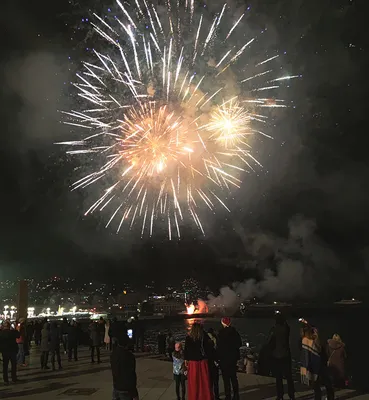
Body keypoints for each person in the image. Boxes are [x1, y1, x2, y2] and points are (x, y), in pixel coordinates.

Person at [300, 325, 334, 400]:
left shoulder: (305, 340)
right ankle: (330, 398)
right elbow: (323, 351)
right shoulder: (317, 339)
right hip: (321, 364)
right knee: (327, 384)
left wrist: (306, 368)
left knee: (316, 386)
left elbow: (305, 356)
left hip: (313, 366)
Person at [268, 313, 295, 400]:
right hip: (286, 355)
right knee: (289, 377)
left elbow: (270, 342)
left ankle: (280, 395)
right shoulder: (286, 329)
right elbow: (287, 327)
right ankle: (292, 395)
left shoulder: (274, 330)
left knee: (278, 378)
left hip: (276, 355)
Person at [184, 322, 214, 400]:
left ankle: (194, 397)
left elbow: (186, 351)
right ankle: (205, 397)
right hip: (203, 362)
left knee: (193, 382)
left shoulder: (188, 338)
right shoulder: (204, 337)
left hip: (193, 363)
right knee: (204, 381)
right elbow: (210, 348)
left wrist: (186, 360)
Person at [217, 317, 242, 400]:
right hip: (233, 357)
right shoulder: (235, 332)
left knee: (226, 379)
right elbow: (239, 343)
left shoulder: (220, 333)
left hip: (224, 358)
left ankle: (228, 396)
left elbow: (218, 347)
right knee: (234, 377)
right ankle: (236, 395)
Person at [110, 334, 139, 400]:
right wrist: (134, 393)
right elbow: (131, 375)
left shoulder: (113, 354)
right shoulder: (129, 356)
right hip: (126, 389)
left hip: (116, 387)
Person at [0, 320, 20, 385]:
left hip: (4, 351)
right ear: (9, 326)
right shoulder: (12, 332)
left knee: (5, 366)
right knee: (13, 365)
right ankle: (14, 378)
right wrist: (14, 328)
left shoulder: (1, 333)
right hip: (12, 350)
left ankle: (6, 379)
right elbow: (18, 335)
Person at [207, 328, 220, 400]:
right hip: (214, 367)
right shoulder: (215, 351)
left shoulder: (207, 351)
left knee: (210, 382)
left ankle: (210, 396)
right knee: (216, 383)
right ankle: (217, 396)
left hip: (209, 366)